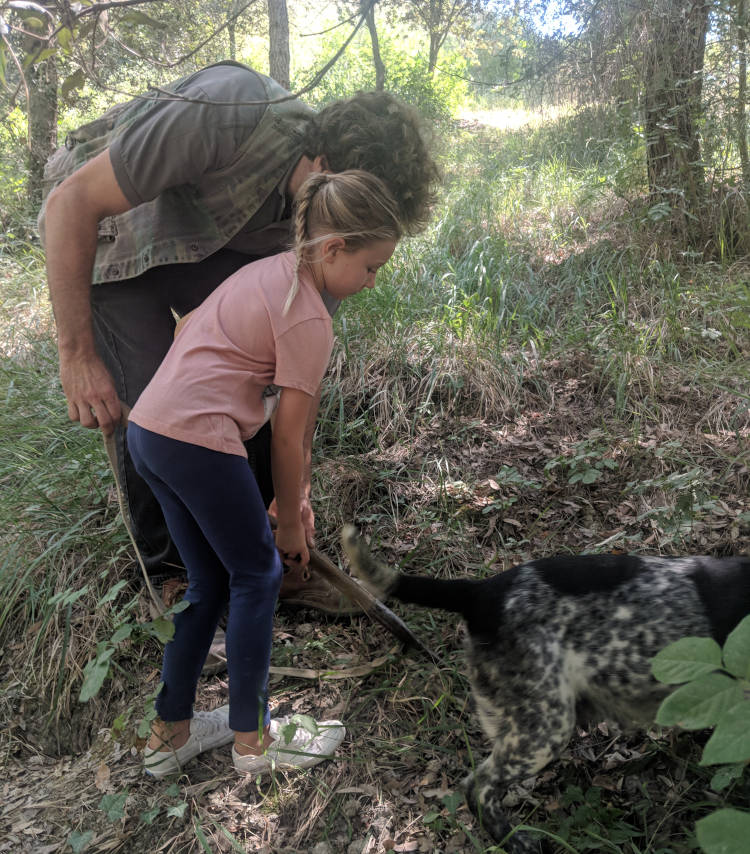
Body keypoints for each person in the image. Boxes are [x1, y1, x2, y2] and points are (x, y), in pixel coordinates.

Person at [38, 61, 439, 613]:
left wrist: (292, 496)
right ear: (322, 165)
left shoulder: (336, 237)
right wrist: (77, 356)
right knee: (160, 407)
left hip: (201, 238)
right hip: (105, 236)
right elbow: (69, 206)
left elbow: (300, 373)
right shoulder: (229, 113)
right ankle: (175, 582)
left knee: (247, 368)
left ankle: (261, 552)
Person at [128, 168, 402, 776]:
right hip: (198, 439)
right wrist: (287, 533)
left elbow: (293, 418)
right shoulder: (307, 317)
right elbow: (284, 434)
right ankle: (254, 740)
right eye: (372, 266)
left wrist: (294, 501)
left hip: (150, 432)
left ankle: (169, 732)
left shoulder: (268, 275)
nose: (373, 281)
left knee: (209, 583)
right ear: (333, 250)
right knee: (257, 576)